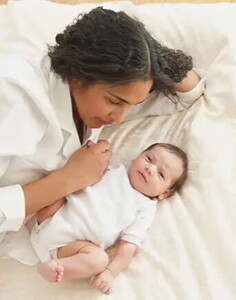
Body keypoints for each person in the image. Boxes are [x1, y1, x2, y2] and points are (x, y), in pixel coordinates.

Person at [0, 7, 205, 264]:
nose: (119, 117)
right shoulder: (12, 97)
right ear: (77, 72)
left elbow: (188, 93)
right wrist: (67, 180)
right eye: (114, 101)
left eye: (131, 104)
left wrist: (153, 55)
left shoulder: (104, 92)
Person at [30, 143, 188, 295]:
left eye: (161, 174)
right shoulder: (113, 169)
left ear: (165, 193)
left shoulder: (145, 208)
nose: (150, 168)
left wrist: (110, 273)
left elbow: (128, 247)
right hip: (52, 215)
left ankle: (55, 267)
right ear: (136, 157)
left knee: (99, 260)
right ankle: (20, 215)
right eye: (149, 159)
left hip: (69, 248)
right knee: (55, 183)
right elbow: (80, 175)